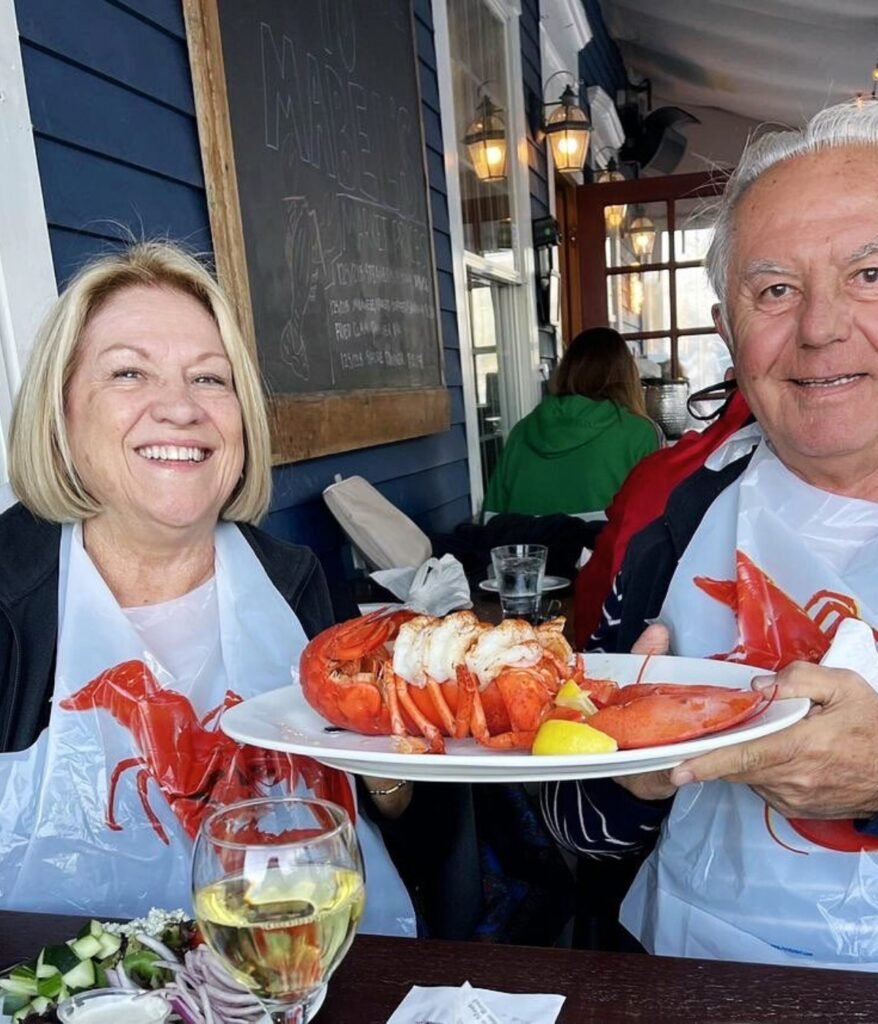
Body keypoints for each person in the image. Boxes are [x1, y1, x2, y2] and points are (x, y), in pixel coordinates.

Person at [541, 99, 878, 970]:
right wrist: (633, 771)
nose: (820, 326)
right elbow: (574, 826)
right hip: (692, 974)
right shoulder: (669, 507)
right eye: (774, 290)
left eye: (869, 274)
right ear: (728, 331)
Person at [0, 240, 415, 934]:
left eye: (210, 379)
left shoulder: (297, 581)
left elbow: (391, 814)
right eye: (129, 373)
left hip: (308, 974)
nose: (181, 409)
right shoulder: (12, 599)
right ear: (61, 412)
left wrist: (394, 756)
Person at [482, 327, 661, 518]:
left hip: (529, 546)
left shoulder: (522, 431)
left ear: (566, 370)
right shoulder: (640, 433)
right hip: (602, 547)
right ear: (628, 375)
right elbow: (656, 519)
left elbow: (491, 517)